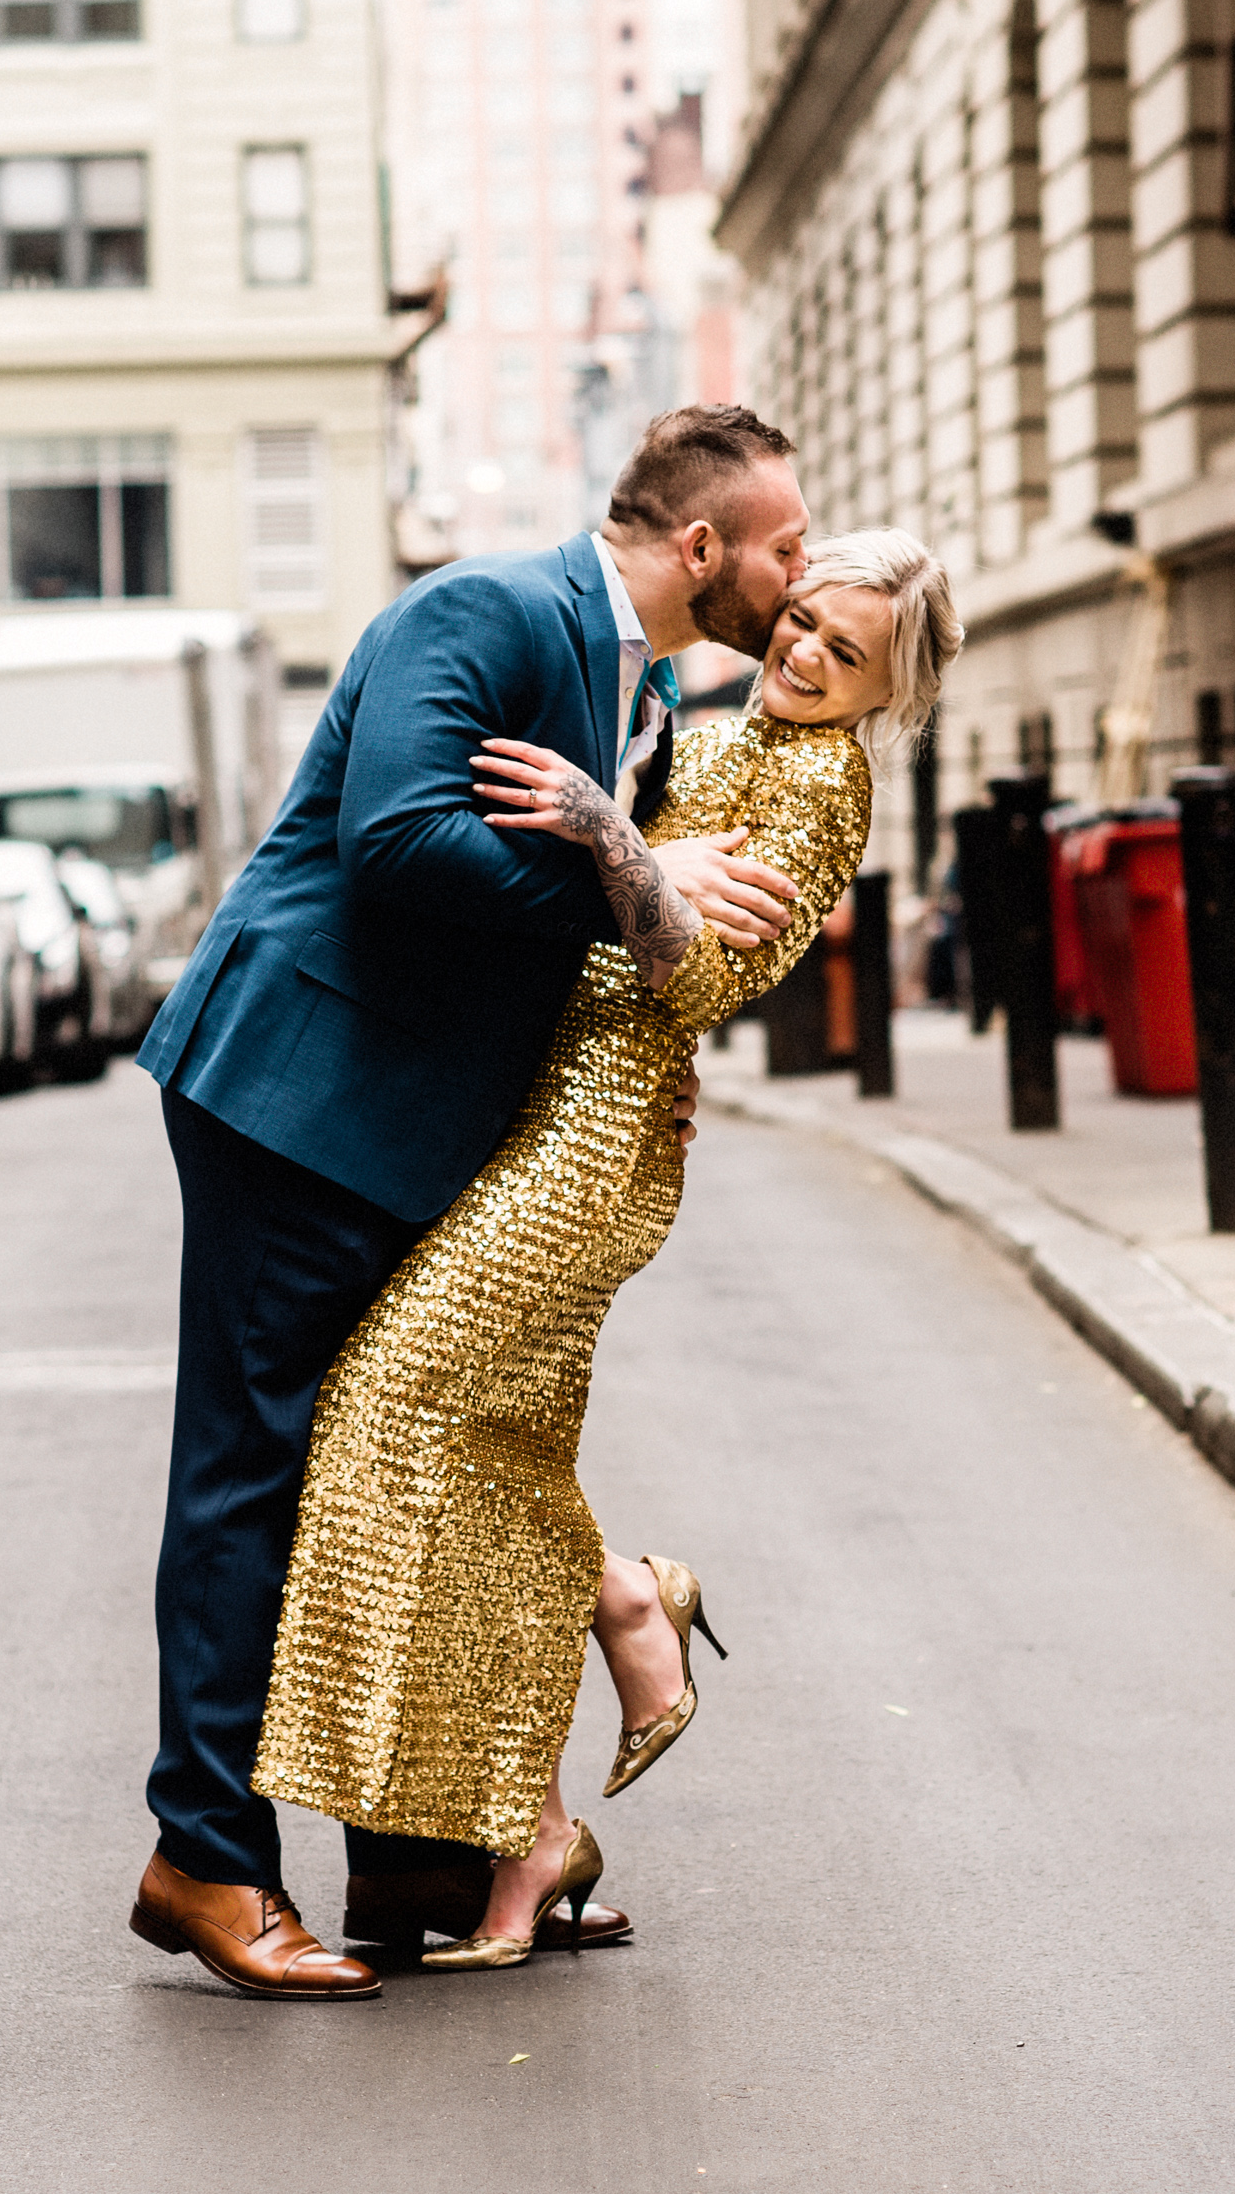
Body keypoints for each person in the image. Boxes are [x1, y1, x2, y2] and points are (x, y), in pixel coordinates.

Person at [126, 406, 815, 2003]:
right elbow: (398, 845)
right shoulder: (485, 613)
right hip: (298, 1097)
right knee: (254, 1471)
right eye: (783, 546)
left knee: (390, 1462)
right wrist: (630, 867)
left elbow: (569, 928)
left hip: (417, 1127)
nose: (796, 577)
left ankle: (420, 1869)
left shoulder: (639, 684)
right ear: (702, 546)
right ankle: (205, 1860)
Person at [254, 528, 963, 1967]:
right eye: (808, 620)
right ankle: (544, 1814)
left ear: (888, 693)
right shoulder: (715, 725)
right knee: (486, 1454)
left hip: (599, 1149)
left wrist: (605, 827)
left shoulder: (827, 785)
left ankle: (610, 1637)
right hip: (533, 1109)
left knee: (392, 1408)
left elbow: (696, 971)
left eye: (848, 654)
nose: (807, 653)